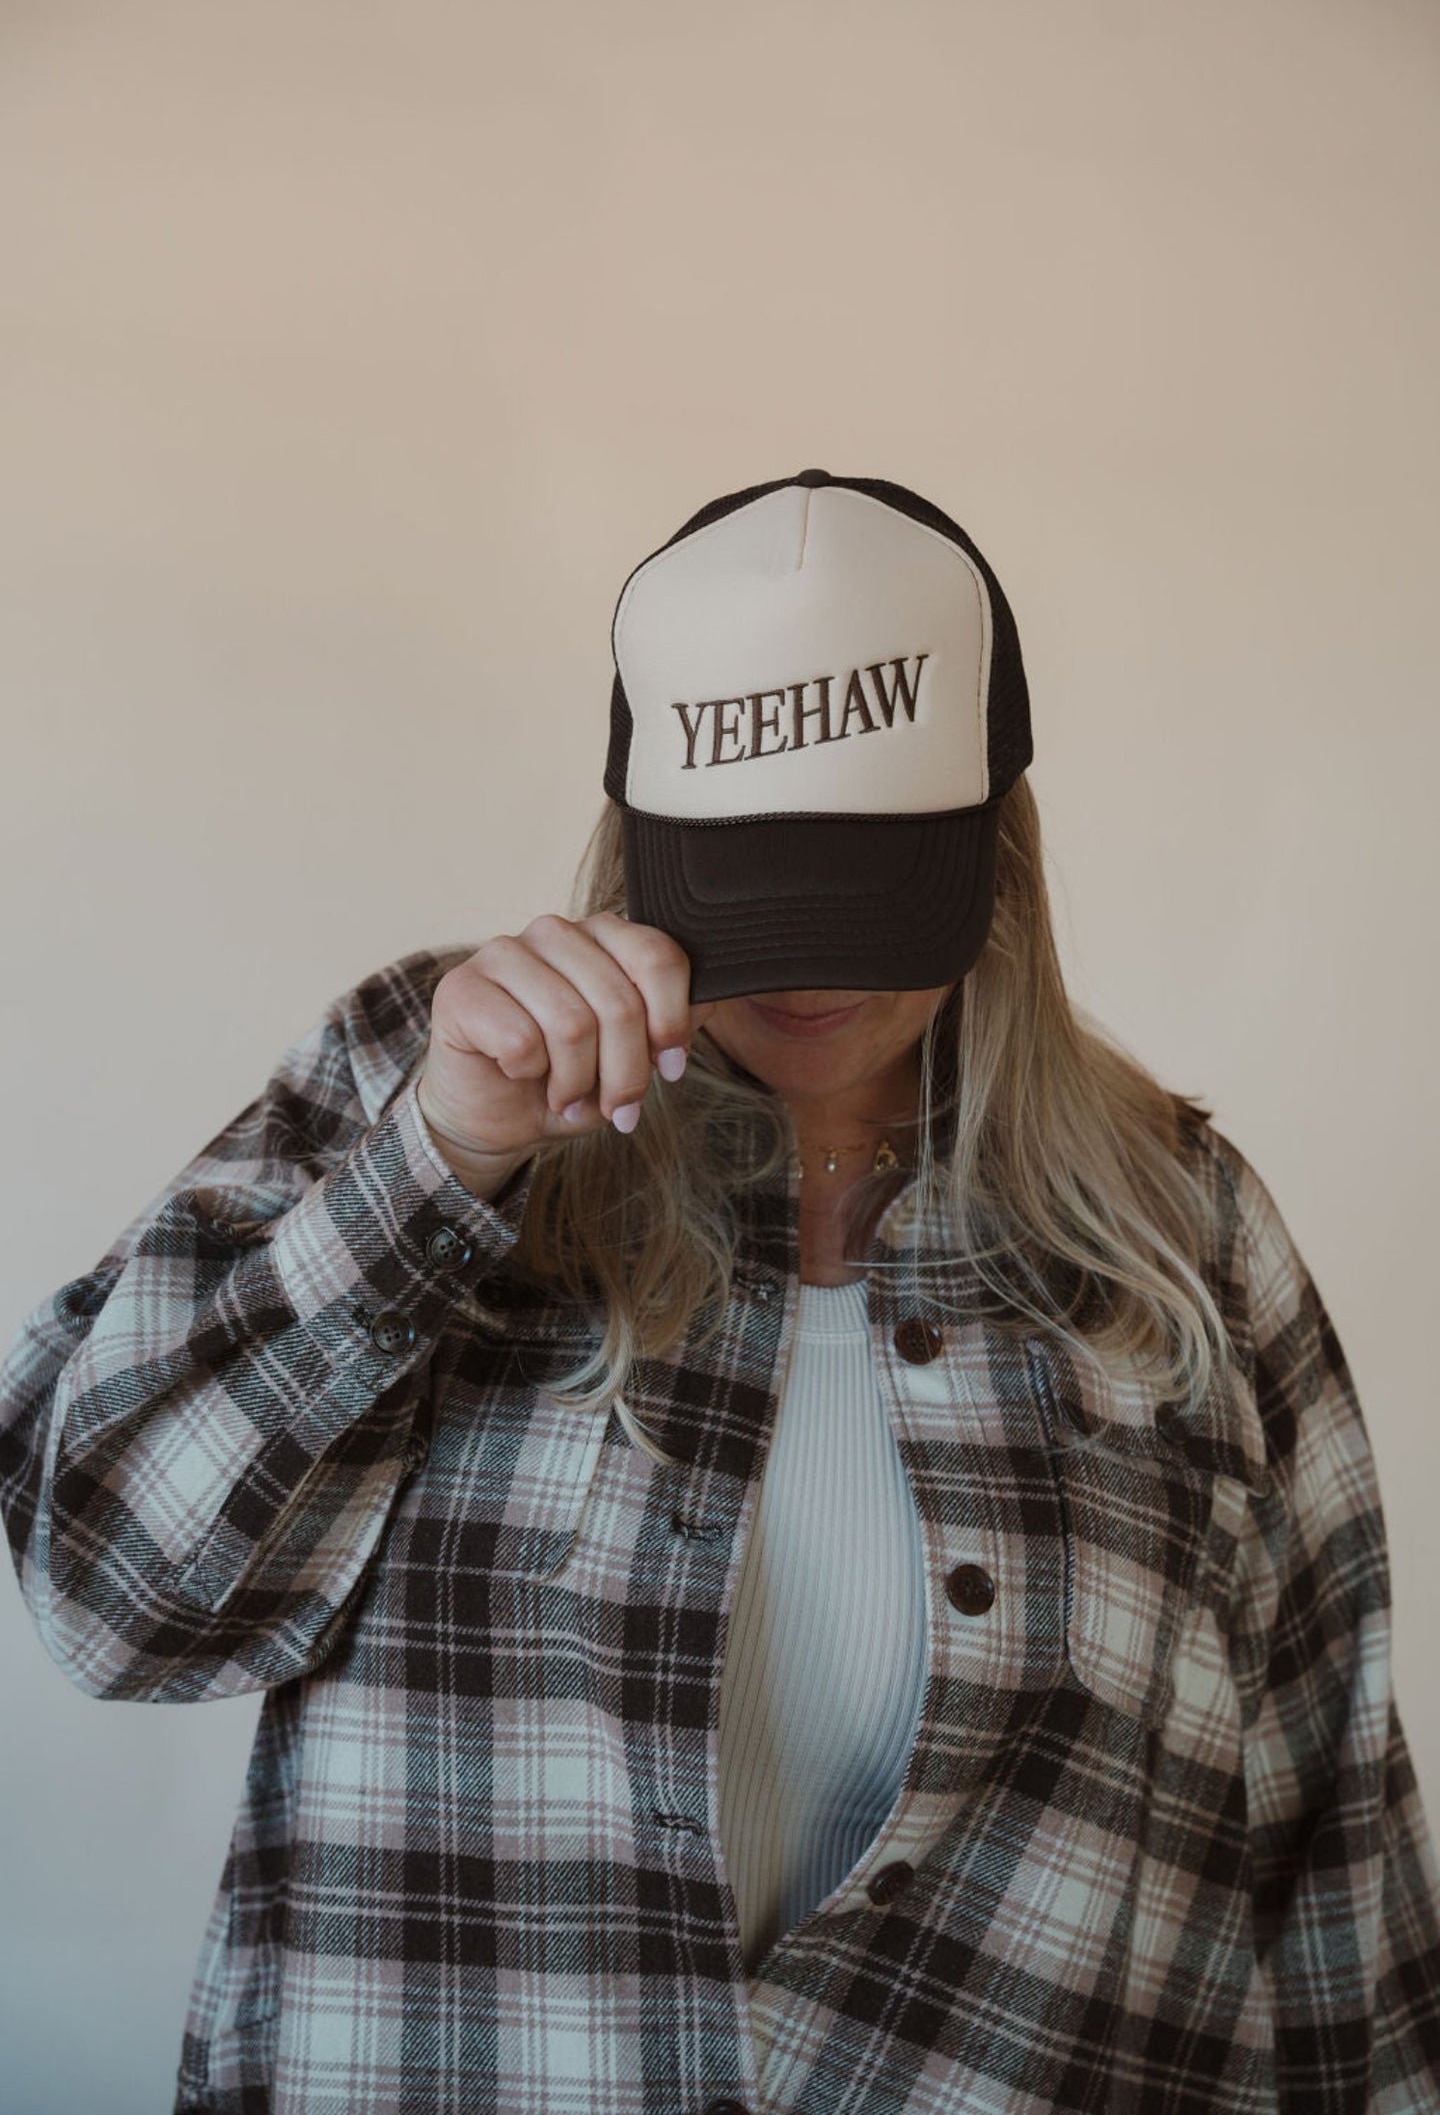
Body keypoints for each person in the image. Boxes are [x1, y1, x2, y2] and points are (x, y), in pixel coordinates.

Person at [3, 468, 1439, 2114]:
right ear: (640, 841)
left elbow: (1332, 1859)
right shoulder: (414, 1088)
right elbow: (111, 1599)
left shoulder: (1181, 1233)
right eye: (753, 892)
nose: (812, 973)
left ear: (996, 844)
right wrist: (437, 1169)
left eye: (873, 890)